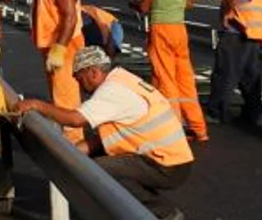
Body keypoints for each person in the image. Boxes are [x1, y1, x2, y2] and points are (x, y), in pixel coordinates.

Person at [15, 46, 191, 220]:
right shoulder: (123, 79)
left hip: (166, 164)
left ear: (93, 72)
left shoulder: (111, 91)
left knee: (99, 172)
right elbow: (110, 136)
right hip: (168, 158)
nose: (80, 85)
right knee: (98, 166)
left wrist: (37, 105)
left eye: (79, 78)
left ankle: (164, 213)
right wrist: (76, 151)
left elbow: (75, 119)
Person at [129, 0, 208, 142]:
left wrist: (133, 2)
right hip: (179, 29)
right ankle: (199, 128)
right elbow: (189, 4)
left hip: (161, 29)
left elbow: (144, 7)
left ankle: (175, 129)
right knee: (185, 79)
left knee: (165, 79)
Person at [30, 0, 85, 144]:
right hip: (54, 46)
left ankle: (74, 146)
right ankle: (67, 140)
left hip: (65, 46)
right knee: (57, 94)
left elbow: (70, 18)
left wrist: (59, 49)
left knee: (66, 98)